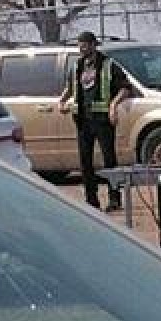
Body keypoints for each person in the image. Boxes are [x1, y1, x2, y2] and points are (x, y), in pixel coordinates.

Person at [60, 32, 121, 212]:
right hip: (82, 120)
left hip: (102, 120)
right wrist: (62, 101)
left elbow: (125, 88)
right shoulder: (77, 66)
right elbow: (70, 88)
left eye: (85, 45)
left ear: (93, 45)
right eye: (79, 45)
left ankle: (114, 198)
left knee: (109, 160)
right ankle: (91, 200)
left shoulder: (108, 65)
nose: (81, 48)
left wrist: (113, 106)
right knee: (85, 162)